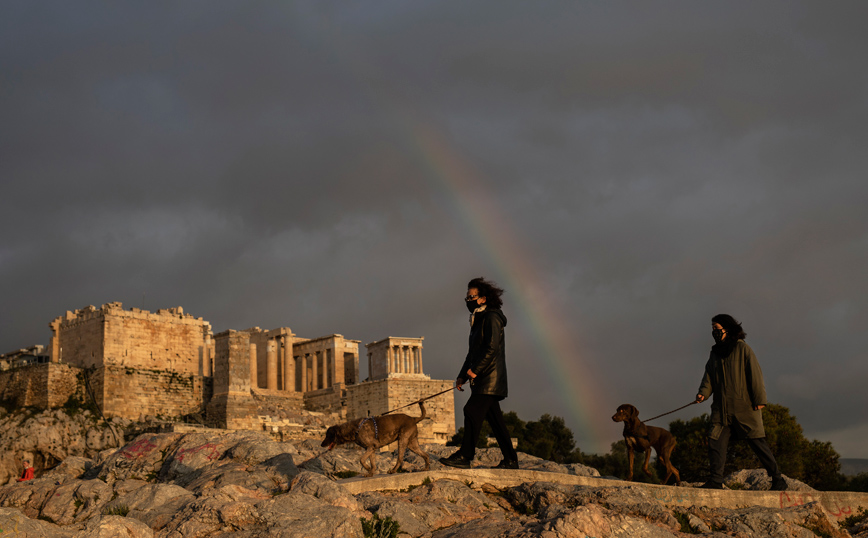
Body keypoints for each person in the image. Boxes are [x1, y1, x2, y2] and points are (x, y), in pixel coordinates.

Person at [695, 314, 786, 490]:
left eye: (717, 328)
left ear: (727, 329)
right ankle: (715, 481)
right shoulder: (715, 353)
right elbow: (708, 377)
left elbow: (755, 375)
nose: (714, 331)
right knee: (715, 442)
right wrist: (702, 394)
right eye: (712, 328)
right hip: (721, 410)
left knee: (758, 444)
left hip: (744, 407)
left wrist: (760, 400)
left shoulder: (742, 349)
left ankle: (778, 480)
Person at [440, 277, 519, 470]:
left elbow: (491, 349)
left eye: (471, 297)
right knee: (496, 421)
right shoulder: (478, 319)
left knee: (471, 411)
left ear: (483, 298)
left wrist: (475, 371)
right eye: (467, 297)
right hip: (483, 378)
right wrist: (462, 376)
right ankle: (511, 460)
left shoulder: (492, 317)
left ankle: (465, 456)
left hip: (489, 379)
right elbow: (473, 353)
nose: (467, 300)